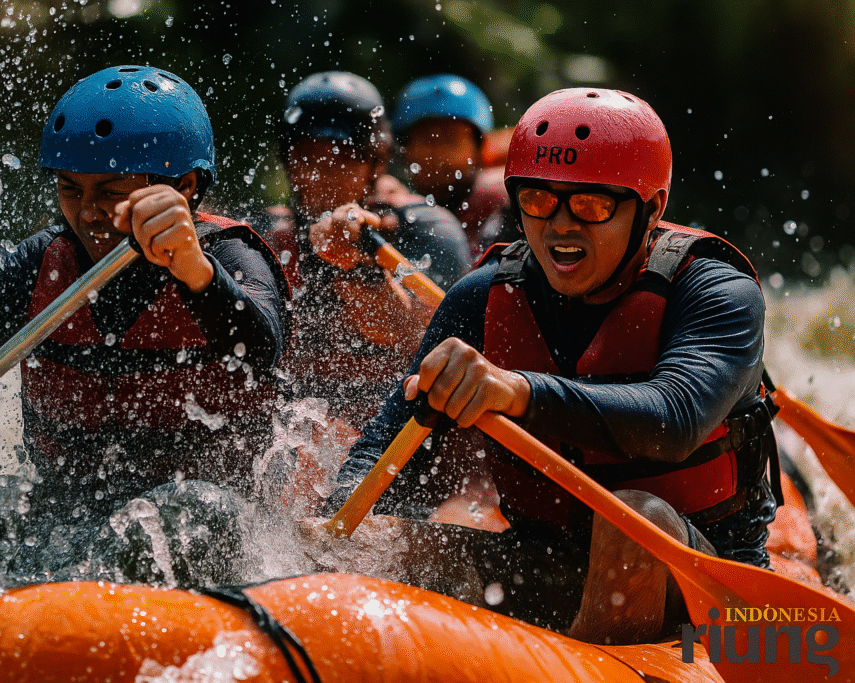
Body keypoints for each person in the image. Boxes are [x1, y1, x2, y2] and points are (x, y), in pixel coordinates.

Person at [324, 88, 780, 645]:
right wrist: (338, 518)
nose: (561, 226)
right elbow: (394, 443)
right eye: (539, 200)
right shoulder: (481, 297)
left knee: (633, 520)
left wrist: (516, 392)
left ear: (652, 208)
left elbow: (675, 419)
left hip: (701, 587)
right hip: (546, 561)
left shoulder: (714, 291)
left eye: (591, 205)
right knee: (370, 539)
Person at [0, 65, 290, 585]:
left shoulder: (227, 254)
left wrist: (195, 271)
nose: (90, 213)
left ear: (184, 187)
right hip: (69, 507)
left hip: (211, 517)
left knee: (176, 516)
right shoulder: (40, 262)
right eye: (71, 189)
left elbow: (263, 346)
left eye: (112, 189)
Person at [254, 71, 471, 433]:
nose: (323, 171)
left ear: (375, 163)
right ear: (288, 162)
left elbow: (428, 340)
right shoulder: (267, 235)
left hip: (401, 434)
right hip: (299, 434)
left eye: (343, 156)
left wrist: (360, 266)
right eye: (308, 155)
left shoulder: (427, 229)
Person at [392, 74, 510, 258]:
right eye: (427, 138)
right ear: (405, 148)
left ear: (481, 148)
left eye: (449, 139)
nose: (438, 153)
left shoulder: (507, 205)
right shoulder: (391, 207)